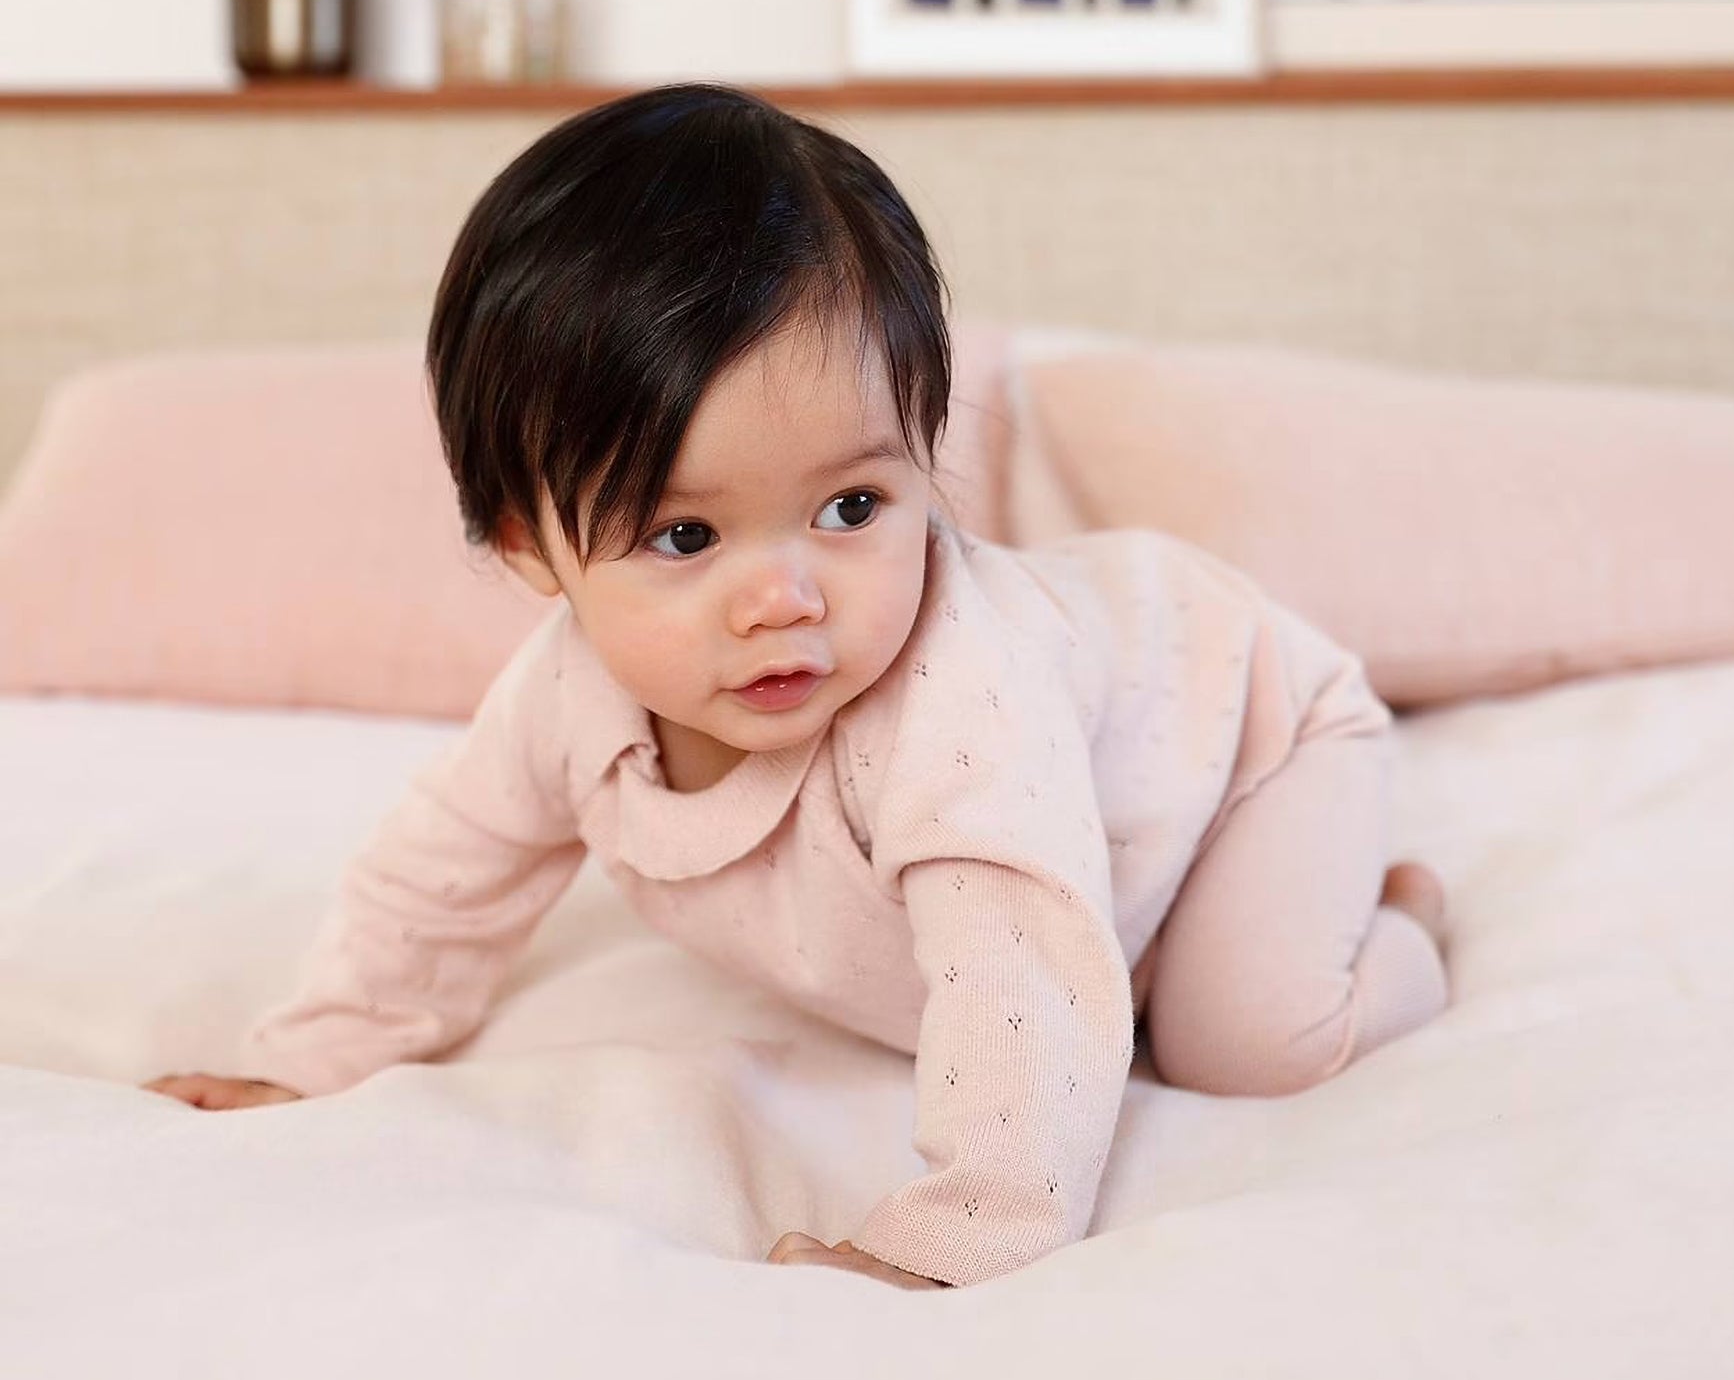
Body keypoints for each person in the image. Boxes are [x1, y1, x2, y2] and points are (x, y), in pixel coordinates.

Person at [143, 83, 1450, 1290]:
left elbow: (1023, 976)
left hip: (1248, 741)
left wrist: (956, 1242)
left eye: (849, 504)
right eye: (685, 537)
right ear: (529, 548)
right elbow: (441, 873)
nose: (785, 598)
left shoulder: (953, 702)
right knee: (1150, 986)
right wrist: (308, 1067)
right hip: (1105, 831)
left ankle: (1395, 924)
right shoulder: (565, 702)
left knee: (1244, 1043)